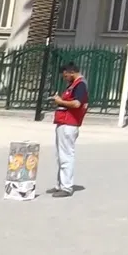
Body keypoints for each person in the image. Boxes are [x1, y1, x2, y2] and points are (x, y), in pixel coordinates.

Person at [48, 62, 89, 197]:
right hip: (63, 122)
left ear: (71, 72)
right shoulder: (72, 85)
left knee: (66, 155)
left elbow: (76, 103)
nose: (64, 78)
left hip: (69, 123)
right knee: (60, 155)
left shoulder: (80, 85)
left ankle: (66, 187)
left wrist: (60, 102)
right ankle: (60, 184)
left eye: (65, 75)